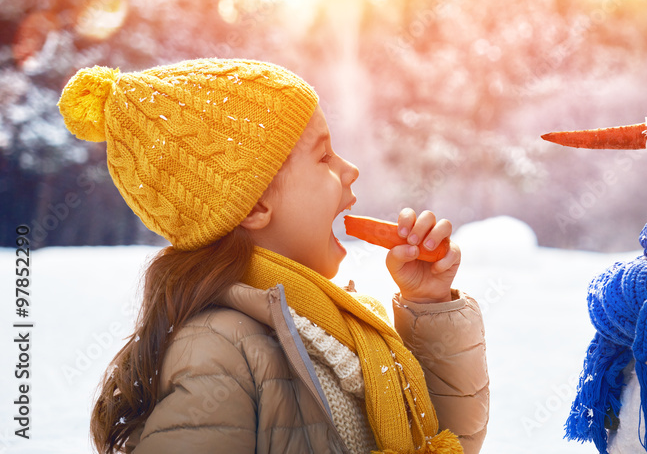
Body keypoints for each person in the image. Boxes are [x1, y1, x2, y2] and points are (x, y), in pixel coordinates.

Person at [58, 58, 489, 454]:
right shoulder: (215, 351)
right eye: (323, 156)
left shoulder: (341, 323)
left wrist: (429, 304)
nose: (350, 169)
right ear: (256, 205)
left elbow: (441, 439)